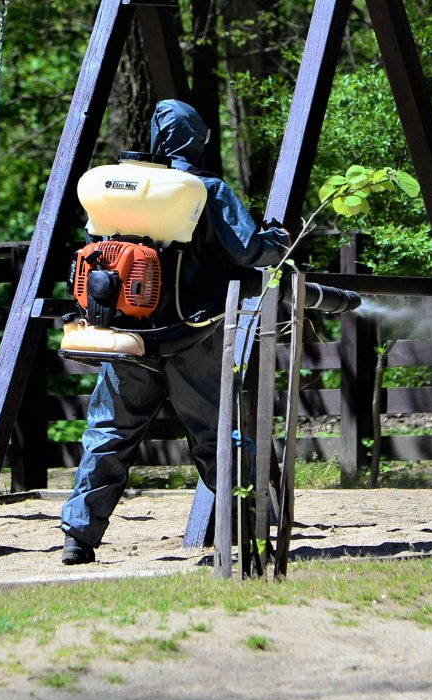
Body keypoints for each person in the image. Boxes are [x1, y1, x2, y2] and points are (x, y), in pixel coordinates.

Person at [61, 99, 289, 564]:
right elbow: (248, 253)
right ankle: (250, 524)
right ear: (197, 139)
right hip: (192, 334)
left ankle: (78, 538)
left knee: (108, 432)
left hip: (128, 334)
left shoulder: (120, 187)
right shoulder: (204, 188)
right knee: (217, 431)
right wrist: (277, 240)